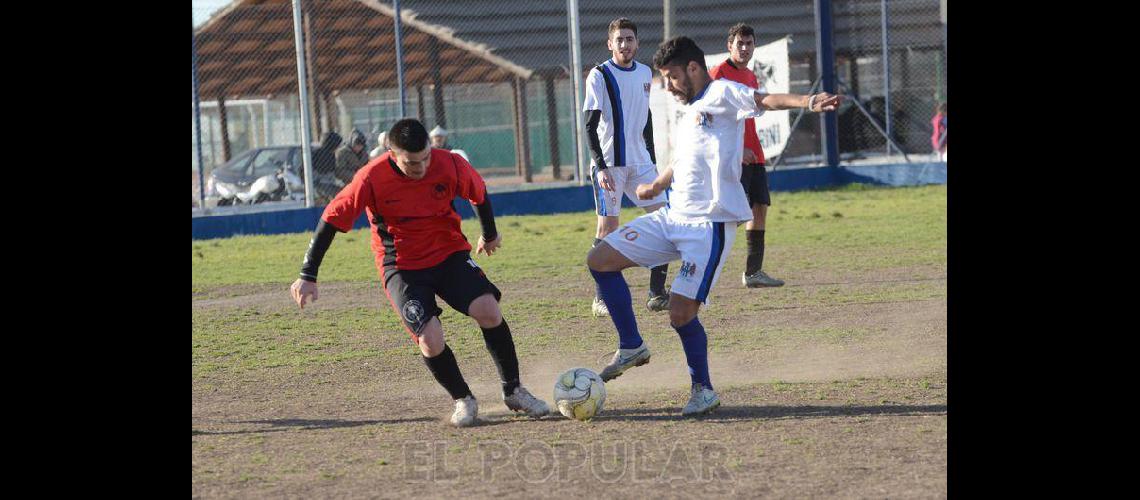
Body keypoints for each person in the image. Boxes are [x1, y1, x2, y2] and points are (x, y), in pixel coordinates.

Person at [586, 36, 840, 416]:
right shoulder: (689, 109)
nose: (668, 86)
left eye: (672, 77)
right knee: (600, 259)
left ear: (692, 69)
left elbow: (762, 100)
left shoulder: (723, 92)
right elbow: (686, 156)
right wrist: (657, 184)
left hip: (709, 227)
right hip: (672, 217)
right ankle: (631, 345)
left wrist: (808, 101)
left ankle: (702, 390)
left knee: (680, 314)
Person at [288, 118, 550, 427]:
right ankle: (463, 400)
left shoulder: (449, 163)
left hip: (449, 254)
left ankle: (514, 390)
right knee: (430, 339)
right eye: (412, 162)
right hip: (401, 267)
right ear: (391, 152)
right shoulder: (371, 177)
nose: (421, 166)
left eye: (425, 157)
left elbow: (478, 194)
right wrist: (308, 274)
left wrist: (489, 235)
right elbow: (331, 219)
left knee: (489, 310)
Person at [583, 17, 670, 318]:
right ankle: (600, 298)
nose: (625, 44)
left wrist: (653, 160)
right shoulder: (599, 75)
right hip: (610, 165)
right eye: (619, 39)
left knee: (665, 217)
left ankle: (657, 293)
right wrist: (601, 166)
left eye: (629, 39)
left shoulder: (646, 72)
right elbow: (590, 125)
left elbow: (645, 120)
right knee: (607, 228)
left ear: (637, 43)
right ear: (610, 44)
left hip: (641, 163)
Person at [709, 23, 785, 288]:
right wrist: (738, 149)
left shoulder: (751, 76)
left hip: (756, 155)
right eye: (739, 43)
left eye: (749, 43)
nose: (744, 48)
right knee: (731, 215)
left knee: (759, 208)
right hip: (734, 156)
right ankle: (700, 263)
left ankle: (753, 273)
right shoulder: (719, 74)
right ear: (729, 45)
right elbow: (710, 120)